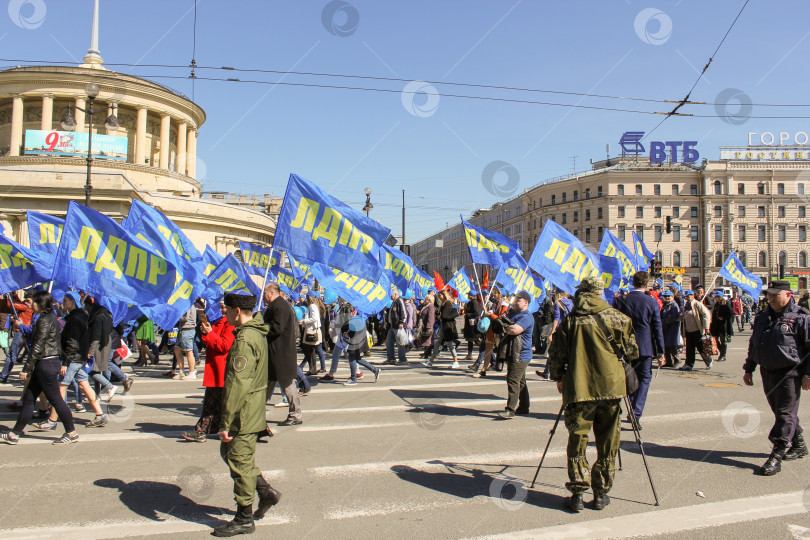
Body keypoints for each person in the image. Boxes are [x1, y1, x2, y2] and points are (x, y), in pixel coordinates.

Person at [548, 277, 639, 512]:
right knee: (608, 439)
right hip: (611, 388)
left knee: (578, 438)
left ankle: (577, 493)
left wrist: (558, 377)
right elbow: (631, 352)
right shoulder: (618, 317)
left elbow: (557, 354)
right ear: (600, 293)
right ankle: (601, 493)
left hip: (579, 388)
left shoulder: (571, 321)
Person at [213, 293, 280, 537]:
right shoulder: (255, 332)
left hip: (243, 410)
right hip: (252, 406)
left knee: (240, 461)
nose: (225, 314)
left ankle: (244, 517)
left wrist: (226, 420)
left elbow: (237, 383)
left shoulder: (244, 339)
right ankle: (265, 491)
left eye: (227, 310)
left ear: (237, 312)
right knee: (232, 454)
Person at [743, 281, 810, 476]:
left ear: (788, 295)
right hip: (768, 371)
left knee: (784, 413)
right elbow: (755, 343)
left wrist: (807, 374)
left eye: (775, 294)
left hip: (790, 373)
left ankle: (776, 455)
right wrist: (749, 368)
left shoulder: (801, 317)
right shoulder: (763, 316)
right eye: (769, 295)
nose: (770, 298)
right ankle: (799, 445)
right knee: (781, 411)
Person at [1, 291, 78, 445]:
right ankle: (15, 433)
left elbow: (38, 346)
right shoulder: (48, 318)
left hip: (46, 363)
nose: (31, 305)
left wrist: (26, 369)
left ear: (40, 303)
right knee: (29, 399)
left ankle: (71, 432)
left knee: (56, 400)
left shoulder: (44, 320)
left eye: (33, 302)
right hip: (44, 363)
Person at [182, 301, 234, 443]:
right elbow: (210, 341)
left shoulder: (230, 324)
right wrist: (207, 331)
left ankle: (200, 431)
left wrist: (210, 333)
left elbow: (224, 345)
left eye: (226, 307)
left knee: (212, 405)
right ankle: (203, 430)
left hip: (221, 370)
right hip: (216, 369)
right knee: (214, 405)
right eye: (222, 307)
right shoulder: (221, 322)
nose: (223, 309)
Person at [619, 271, 664, 426]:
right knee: (644, 379)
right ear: (646, 284)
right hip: (645, 347)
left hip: (626, 346)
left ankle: (632, 407)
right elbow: (657, 328)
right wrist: (661, 351)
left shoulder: (622, 299)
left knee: (630, 378)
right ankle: (636, 412)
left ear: (633, 283)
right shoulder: (651, 302)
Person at [263, 283, 303, 427]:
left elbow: (277, 328)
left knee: (287, 384)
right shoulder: (276, 306)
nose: (264, 297)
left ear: (271, 293)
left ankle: (296, 413)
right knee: (267, 383)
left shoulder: (280, 306)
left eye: (266, 294)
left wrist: (262, 328)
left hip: (281, 352)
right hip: (276, 352)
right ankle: (256, 411)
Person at [498, 291, 534, 419]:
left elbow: (515, 330)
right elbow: (502, 319)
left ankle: (510, 410)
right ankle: (524, 406)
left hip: (520, 354)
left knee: (513, 380)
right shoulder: (514, 313)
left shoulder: (526, 316)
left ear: (526, 303)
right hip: (513, 351)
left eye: (518, 300)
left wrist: (503, 326)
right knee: (521, 381)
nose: (515, 302)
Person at [86, 298, 118, 401]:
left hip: (97, 347)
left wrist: (90, 352)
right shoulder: (108, 316)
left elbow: (95, 337)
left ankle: (109, 386)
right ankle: (97, 394)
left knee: (91, 370)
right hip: (105, 345)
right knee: (97, 370)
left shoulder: (98, 318)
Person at [0, 292, 33, 383]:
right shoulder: (29, 307)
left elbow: (10, 304)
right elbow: (18, 302)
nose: (25, 302)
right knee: (28, 354)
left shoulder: (25, 307)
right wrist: (14, 295)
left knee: (12, 356)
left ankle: (3, 376)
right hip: (25, 332)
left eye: (28, 300)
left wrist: (10, 295)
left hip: (21, 332)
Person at [342, 315, 382, 386]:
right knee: (357, 359)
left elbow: (355, 328)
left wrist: (348, 334)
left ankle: (353, 379)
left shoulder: (356, 314)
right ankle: (375, 370)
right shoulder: (360, 313)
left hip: (356, 340)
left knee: (352, 359)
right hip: (359, 339)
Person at [678, 290, 712, 371]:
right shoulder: (687, 305)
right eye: (686, 297)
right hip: (689, 331)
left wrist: (706, 327)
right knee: (689, 349)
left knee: (701, 348)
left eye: (689, 296)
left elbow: (706, 314)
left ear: (693, 295)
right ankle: (689, 365)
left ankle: (708, 361)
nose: (687, 298)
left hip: (697, 330)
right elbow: (684, 316)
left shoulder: (697, 304)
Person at [299, 293, 326, 375]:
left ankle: (312, 368)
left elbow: (315, 318)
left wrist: (304, 321)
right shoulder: (312, 306)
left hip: (312, 331)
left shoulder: (312, 306)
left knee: (309, 350)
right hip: (311, 330)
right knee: (311, 350)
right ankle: (312, 368)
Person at [173, 306, 198, 380]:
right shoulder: (187, 304)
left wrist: (175, 316)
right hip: (183, 329)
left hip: (188, 329)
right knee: (177, 349)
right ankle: (181, 371)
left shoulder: (188, 305)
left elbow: (185, 318)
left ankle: (192, 372)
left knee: (188, 351)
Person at [385, 288, 408, 365]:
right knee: (389, 342)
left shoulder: (400, 301)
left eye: (391, 294)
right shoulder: (394, 302)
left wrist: (402, 322)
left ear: (395, 294)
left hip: (398, 327)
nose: (390, 296)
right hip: (392, 326)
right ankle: (391, 358)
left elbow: (404, 313)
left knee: (400, 343)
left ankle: (402, 359)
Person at [710, 291, 734, 362]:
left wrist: (723, 317)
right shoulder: (717, 304)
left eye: (716, 297)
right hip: (716, 324)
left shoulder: (725, 303)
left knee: (723, 341)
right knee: (716, 340)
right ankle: (722, 353)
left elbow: (731, 313)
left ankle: (723, 355)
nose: (715, 298)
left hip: (723, 325)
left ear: (720, 297)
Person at [659, 290, 681, 369]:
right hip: (665, 327)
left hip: (672, 328)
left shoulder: (674, 305)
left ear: (672, 297)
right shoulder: (666, 304)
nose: (667, 298)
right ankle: (668, 362)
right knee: (665, 345)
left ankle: (677, 360)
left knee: (672, 345)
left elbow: (673, 317)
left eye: (668, 296)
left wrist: (664, 321)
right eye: (665, 296)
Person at [416, 294, 436, 359]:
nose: (425, 300)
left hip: (428, 325)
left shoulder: (431, 307)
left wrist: (429, 326)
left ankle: (427, 353)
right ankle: (426, 353)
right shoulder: (426, 306)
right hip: (424, 324)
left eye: (427, 299)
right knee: (426, 339)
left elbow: (431, 317)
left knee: (428, 340)